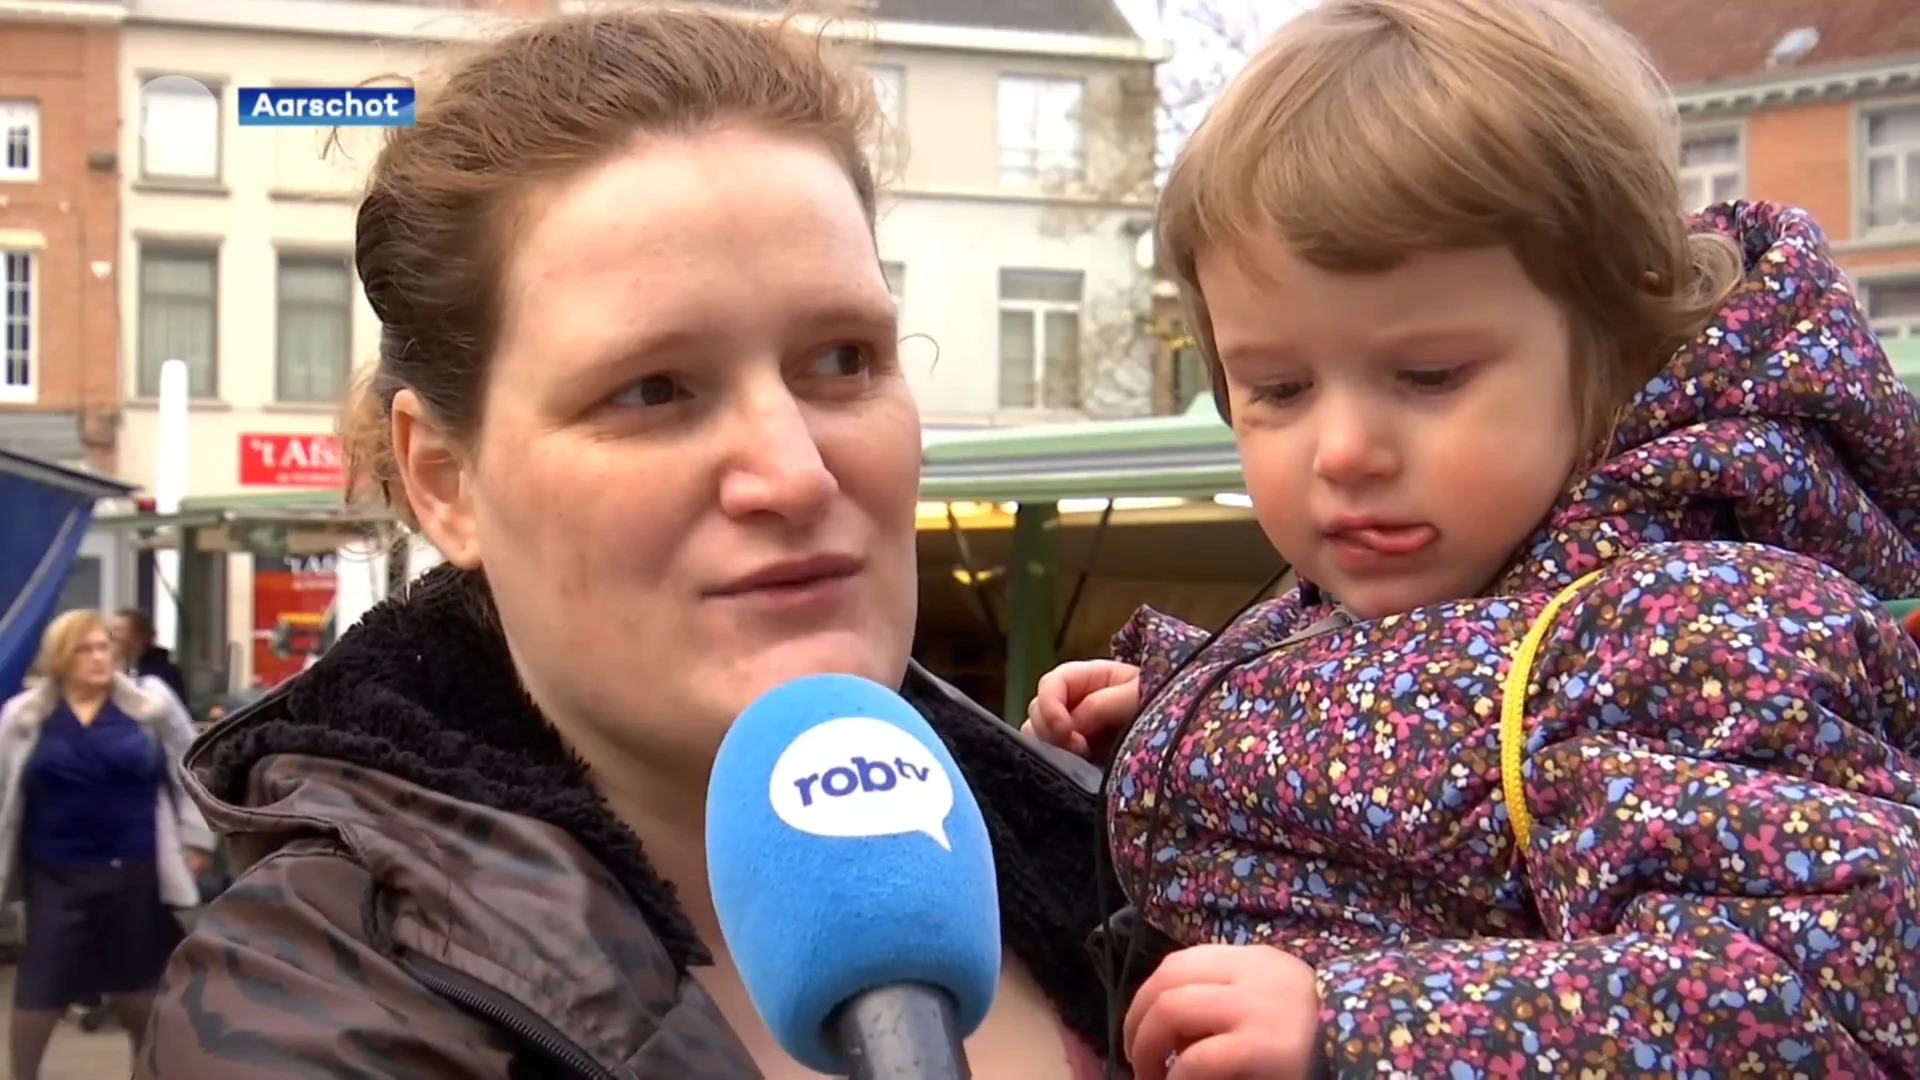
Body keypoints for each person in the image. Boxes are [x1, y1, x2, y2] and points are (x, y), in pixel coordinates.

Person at [137, 8, 1114, 1078]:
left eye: (842, 358)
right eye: (653, 389)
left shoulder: (1139, 860)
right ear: (443, 480)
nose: (794, 472)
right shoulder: (310, 1018)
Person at [1024, 0, 1920, 1076]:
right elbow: (1417, 714)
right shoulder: (1422, 569)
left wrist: (1362, 1026)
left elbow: (1826, 986)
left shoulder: (1693, 629)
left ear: (1611, 344)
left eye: (1431, 374)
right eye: (1278, 387)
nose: (1345, 448)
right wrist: (1177, 700)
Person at [0, 610, 214, 1079]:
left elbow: (191, 766)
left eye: (104, 647)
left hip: (134, 868)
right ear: (61, 658)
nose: (99, 657)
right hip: (54, 872)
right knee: (41, 987)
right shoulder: (24, 716)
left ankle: (146, 1072)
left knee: (137, 986)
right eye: (85, 649)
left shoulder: (147, 705)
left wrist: (196, 839)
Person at [110, 609, 188, 710]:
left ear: (138, 635)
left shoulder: (160, 673)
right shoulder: (122, 667)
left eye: (118, 630)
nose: (112, 636)